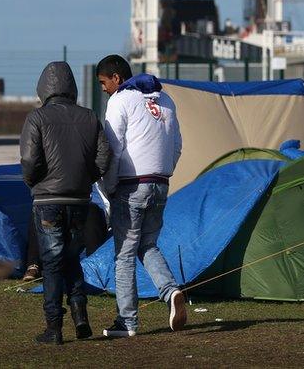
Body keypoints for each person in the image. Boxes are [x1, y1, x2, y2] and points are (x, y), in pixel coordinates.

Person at [20, 61, 111, 345]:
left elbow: (29, 160)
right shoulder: (90, 117)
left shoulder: (37, 118)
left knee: (51, 263)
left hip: (47, 200)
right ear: (71, 86)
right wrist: (86, 178)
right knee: (72, 258)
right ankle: (81, 318)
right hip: (80, 199)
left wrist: (35, 183)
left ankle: (54, 327)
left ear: (43, 88)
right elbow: (104, 157)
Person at [96, 54, 186, 338]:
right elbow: (177, 144)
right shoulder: (166, 100)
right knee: (147, 245)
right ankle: (171, 292)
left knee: (123, 255)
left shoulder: (120, 101)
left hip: (131, 185)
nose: (103, 88)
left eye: (103, 82)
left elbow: (113, 148)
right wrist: (164, 172)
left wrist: (108, 187)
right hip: (160, 183)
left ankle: (127, 321)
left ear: (117, 79)